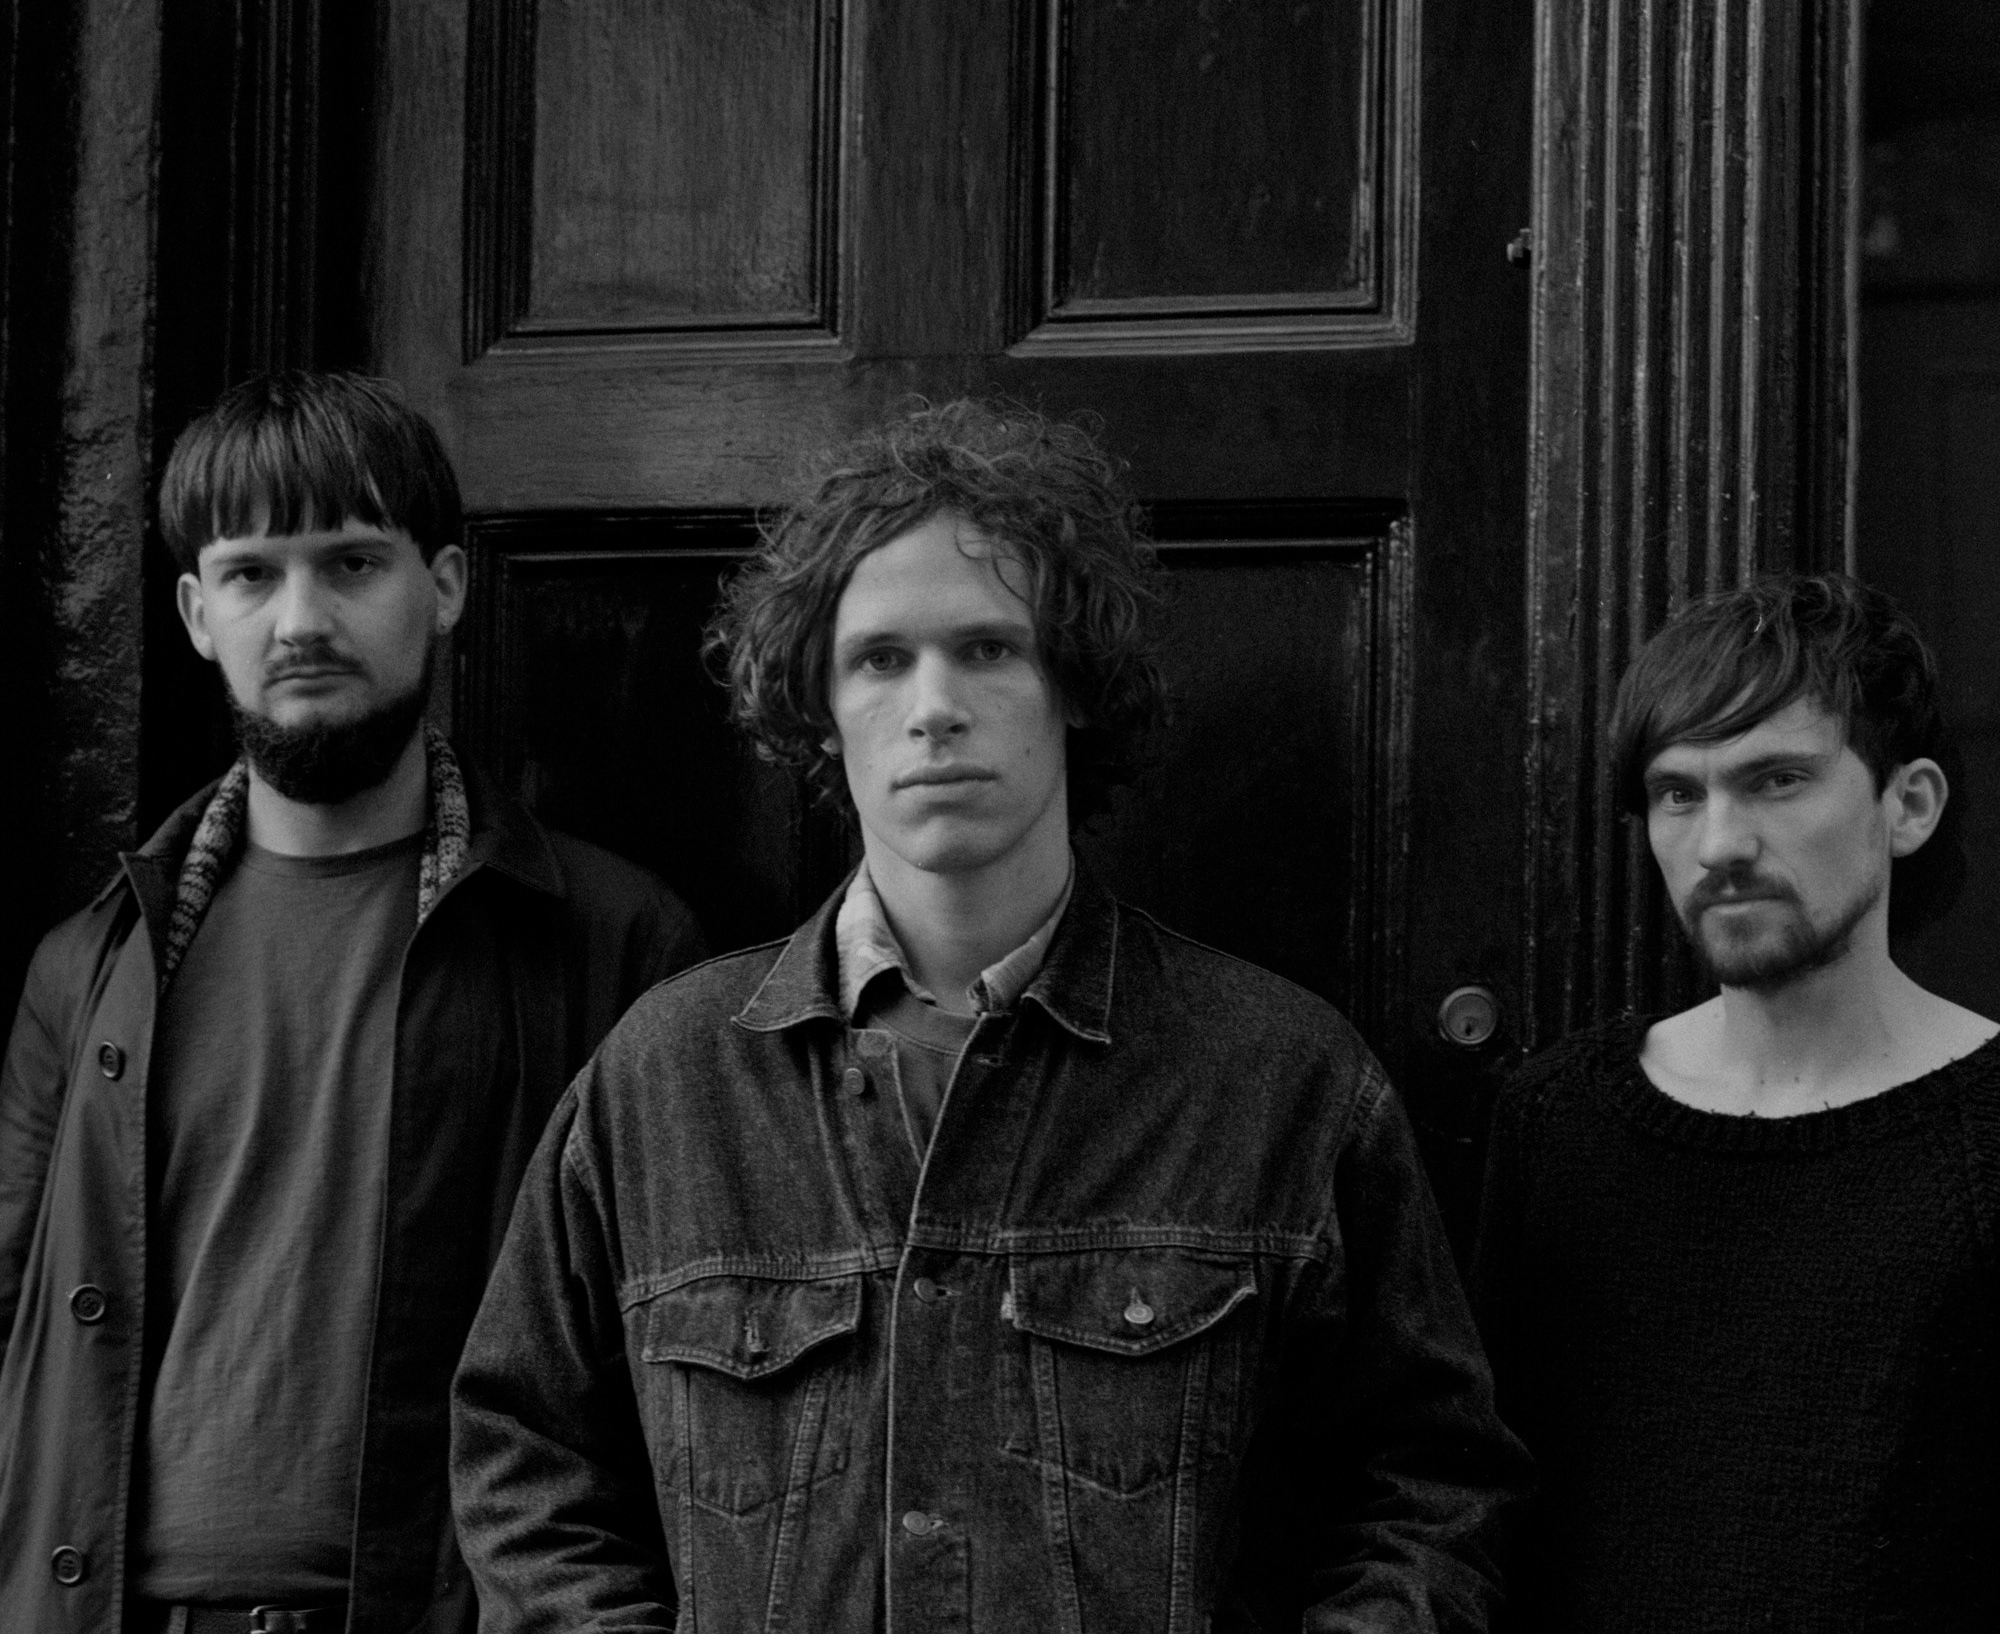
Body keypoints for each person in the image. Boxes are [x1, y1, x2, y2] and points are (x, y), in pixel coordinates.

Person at [451, 398, 1526, 1634]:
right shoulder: (666, 1077)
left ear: (1073, 683)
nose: (933, 705)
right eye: (878, 658)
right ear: (816, 704)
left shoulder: (1279, 1077)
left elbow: (1431, 1487)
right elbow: (526, 1460)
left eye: (986, 648)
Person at [0, 371, 704, 1634]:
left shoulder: (612, 941)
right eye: (251, 574)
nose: (300, 619)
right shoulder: (90, 964)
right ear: (196, 613)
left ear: (444, 585)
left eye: (351, 563)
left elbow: (681, 1359)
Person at [1474, 573, 2000, 1632]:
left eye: (1776, 780)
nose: (1718, 843)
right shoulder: (1556, 1123)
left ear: (1907, 805)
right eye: (1678, 793)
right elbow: (1477, 1501)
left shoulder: (1983, 1138)